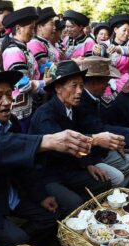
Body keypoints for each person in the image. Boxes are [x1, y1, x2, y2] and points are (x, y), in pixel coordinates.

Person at [0, 66, 92, 246]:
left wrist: (41, 196)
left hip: (11, 193)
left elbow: (23, 166)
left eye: (9, 94)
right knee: (16, 239)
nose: (6, 102)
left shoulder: (12, 122)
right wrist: (47, 141)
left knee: (50, 217)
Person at [29, 61, 113, 214]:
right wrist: (95, 139)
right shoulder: (45, 115)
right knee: (75, 203)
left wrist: (88, 164)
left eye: (81, 86)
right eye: (74, 86)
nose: (79, 91)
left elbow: (79, 140)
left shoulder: (74, 109)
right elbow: (63, 147)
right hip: (48, 174)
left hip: (68, 168)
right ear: (58, 88)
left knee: (104, 182)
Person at [76, 56, 129, 178]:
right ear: (94, 82)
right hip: (87, 154)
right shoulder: (81, 101)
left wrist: (118, 144)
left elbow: (104, 126)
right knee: (120, 175)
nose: (107, 86)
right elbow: (97, 129)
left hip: (101, 148)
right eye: (105, 82)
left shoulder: (95, 98)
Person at [0, 7, 45, 131]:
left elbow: (32, 71)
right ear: (18, 29)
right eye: (31, 28)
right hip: (20, 111)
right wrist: (45, 83)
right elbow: (23, 85)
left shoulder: (24, 49)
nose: (33, 32)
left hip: (30, 107)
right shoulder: (13, 51)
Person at [28, 7, 60, 74]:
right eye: (52, 24)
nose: (54, 28)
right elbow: (45, 69)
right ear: (40, 27)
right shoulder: (34, 44)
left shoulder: (46, 42)